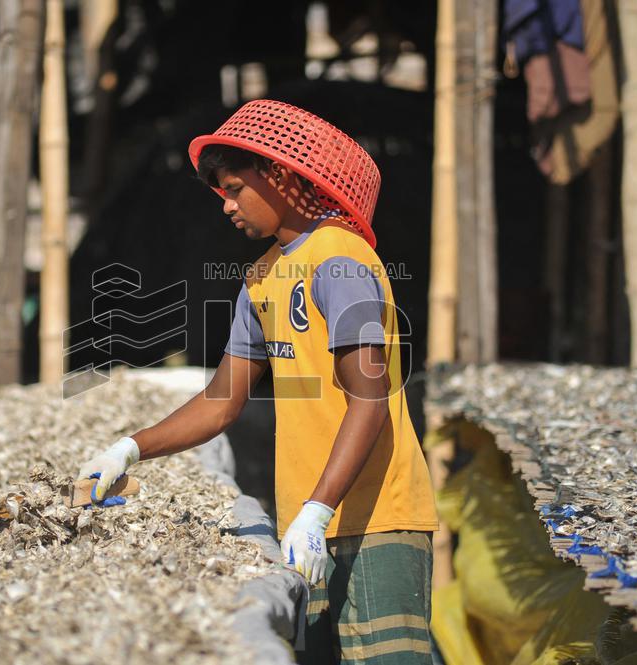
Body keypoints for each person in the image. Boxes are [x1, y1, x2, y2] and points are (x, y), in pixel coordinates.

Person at [78, 100, 438, 663]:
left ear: (282, 178)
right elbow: (221, 403)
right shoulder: (262, 278)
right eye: (220, 192)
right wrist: (130, 448)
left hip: (376, 522)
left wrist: (318, 512)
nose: (226, 206)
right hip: (308, 527)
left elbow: (369, 403)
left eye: (235, 188)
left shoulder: (340, 260)